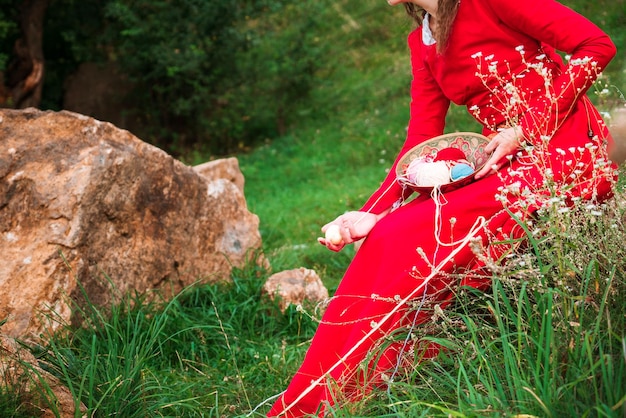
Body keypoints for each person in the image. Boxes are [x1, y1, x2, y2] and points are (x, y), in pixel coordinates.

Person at [266, 0, 617, 416]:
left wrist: (527, 128)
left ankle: (351, 386)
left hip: (562, 148)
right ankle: (316, 397)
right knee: (386, 234)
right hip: (500, 160)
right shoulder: (423, 41)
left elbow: (597, 44)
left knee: (417, 235)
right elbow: (421, 135)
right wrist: (374, 211)